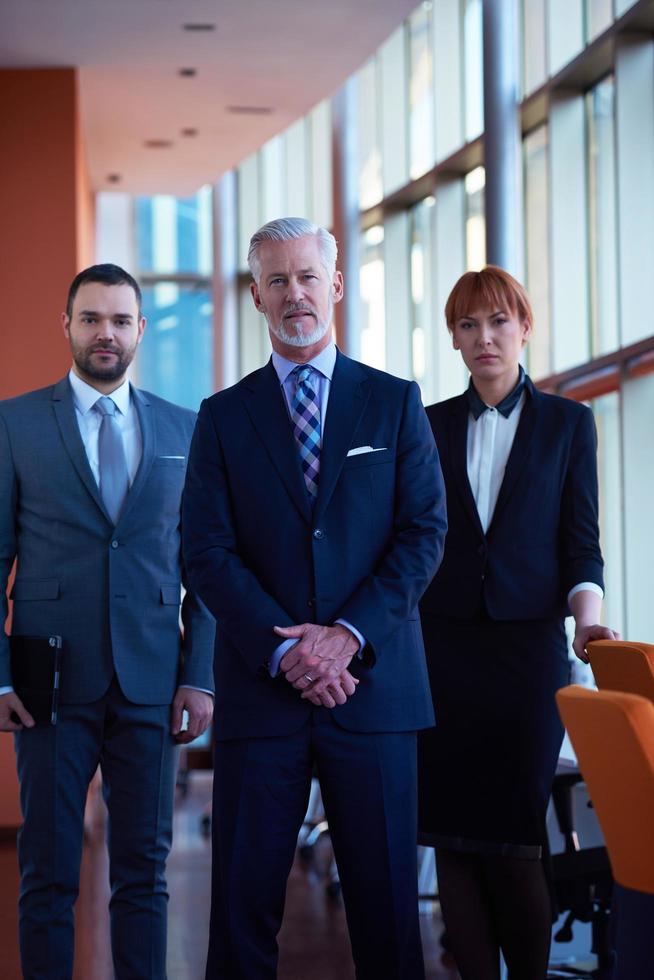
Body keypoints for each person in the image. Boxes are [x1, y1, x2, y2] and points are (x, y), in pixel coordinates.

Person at [182, 216, 447, 979]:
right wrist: (289, 647)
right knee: (240, 917)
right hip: (263, 697)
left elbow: (423, 536)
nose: (293, 293)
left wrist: (345, 636)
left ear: (334, 284)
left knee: (388, 915)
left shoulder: (394, 404)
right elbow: (206, 552)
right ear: (258, 297)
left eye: (306, 277)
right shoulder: (223, 417)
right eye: (275, 280)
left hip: (374, 693)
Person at [0, 263, 215, 980]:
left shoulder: (187, 429)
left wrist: (201, 677)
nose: (105, 333)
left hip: (153, 682)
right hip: (47, 685)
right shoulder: (16, 423)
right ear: (66, 325)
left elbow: (205, 569)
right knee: (50, 873)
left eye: (120, 320)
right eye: (91, 319)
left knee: (144, 878)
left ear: (141, 331)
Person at [417, 266, 619, 980]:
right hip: (440, 653)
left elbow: (581, 545)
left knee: (516, 838)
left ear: (524, 328)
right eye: (467, 326)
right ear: (454, 339)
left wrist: (586, 623)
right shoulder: (428, 423)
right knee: (452, 837)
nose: (484, 339)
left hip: (528, 656)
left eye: (498, 322)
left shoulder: (569, 424)